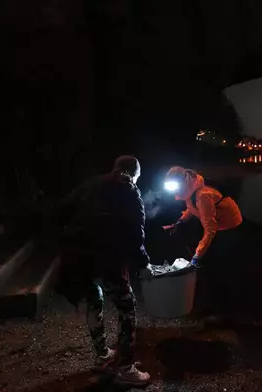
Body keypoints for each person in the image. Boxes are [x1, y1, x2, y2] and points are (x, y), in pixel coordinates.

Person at [55, 155, 151, 387]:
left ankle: (102, 356)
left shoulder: (92, 184)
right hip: (107, 256)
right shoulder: (129, 190)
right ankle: (126, 368)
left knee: (94, 300)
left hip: (78, 256)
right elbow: (136, 233)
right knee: (126, 306)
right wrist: (144, 263)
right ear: (134, 173)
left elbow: (61, 210)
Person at [162, 166, 243, 320]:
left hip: (229, 226)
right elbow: (191, 208)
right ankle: (210, 303)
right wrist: (178, 224)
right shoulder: (191, 189)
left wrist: (197, 256)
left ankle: (220, 310)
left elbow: (210, 229)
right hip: (216, 223)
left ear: (184, 182)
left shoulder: (202, 196)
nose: (174, 191)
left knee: (215, 266)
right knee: (208, 263)